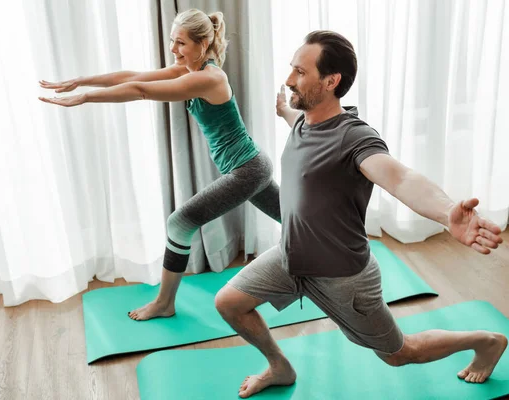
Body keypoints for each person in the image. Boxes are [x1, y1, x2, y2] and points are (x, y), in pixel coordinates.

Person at [214, 30, 507, 398]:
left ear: (331, 81)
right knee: (229, 302)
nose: (289, 79)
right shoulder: (305, 121)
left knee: (400, 353)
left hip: (343, 278)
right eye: (291, 69)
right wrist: (286, 108)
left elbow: (400, 177)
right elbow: (293, 116)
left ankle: (486, 341)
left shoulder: (355, 138)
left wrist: (447, 210)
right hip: (291, 259)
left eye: (300, 73)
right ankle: (279, 366)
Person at [38, 9, 281, 321]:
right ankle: (336, 255)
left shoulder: (209, 78)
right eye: (172, 41)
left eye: (180, 43)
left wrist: (86, 98)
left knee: (180, 223)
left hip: (247, 169)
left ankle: (164, 303)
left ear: (202, 44)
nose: (173, 49)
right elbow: (133, 77)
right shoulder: (188, 71)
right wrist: (80, 81)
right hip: (250, 166)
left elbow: (141, 91)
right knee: (294, 219)